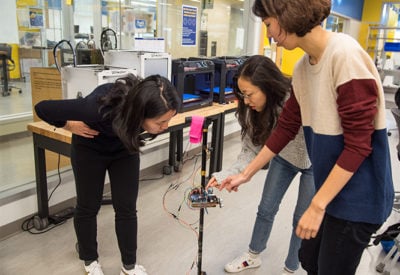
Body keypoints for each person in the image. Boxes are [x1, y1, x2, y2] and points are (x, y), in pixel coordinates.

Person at [213, 1, 394, 275]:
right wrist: (246, 173)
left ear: (285, 15)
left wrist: (316, 205)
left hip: (359, 199)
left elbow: (359, 145)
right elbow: (286, 127)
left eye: (268, 24)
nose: (270, 34)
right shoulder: (302, 69)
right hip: (333, 191)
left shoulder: (345, 56)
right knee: (309, 259)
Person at [35, 74, 181, 275]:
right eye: (161, 122)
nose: (165, 127)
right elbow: (43, 108)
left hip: (123, 149)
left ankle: (129, 266)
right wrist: (69, 125)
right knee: (88, 206)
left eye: (168, 120)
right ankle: (90, 261)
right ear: (140, 112)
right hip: (90, 149)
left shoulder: (146, 105)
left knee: (126, 207)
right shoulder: (96, 107)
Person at [207, 55, 315, 274]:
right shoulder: (251, 110)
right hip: (282, 158)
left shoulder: (294, 100)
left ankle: (292, 267)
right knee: (266, 209)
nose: (246, 101)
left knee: (301, 219)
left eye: (249, 94)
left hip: (313, 162)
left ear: (267, 85)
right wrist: (229, 172)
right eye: (242, 95)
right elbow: (251, 148)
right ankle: (253, 255)